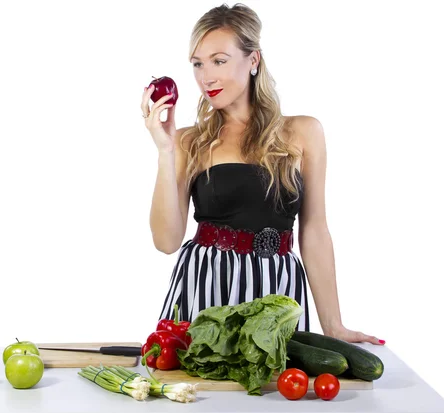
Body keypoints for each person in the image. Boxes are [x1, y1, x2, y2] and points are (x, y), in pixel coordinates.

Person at [140, 3, 384, 345]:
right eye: (197, 64)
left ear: (253, 60)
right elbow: (166, 242)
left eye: (219, 61)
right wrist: (165, 151)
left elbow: (314, 230)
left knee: (274, 392)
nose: (205, 77)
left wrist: (334, 325)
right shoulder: (189, 141)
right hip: (208, 289)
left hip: (278, 291)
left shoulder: (303, 132)